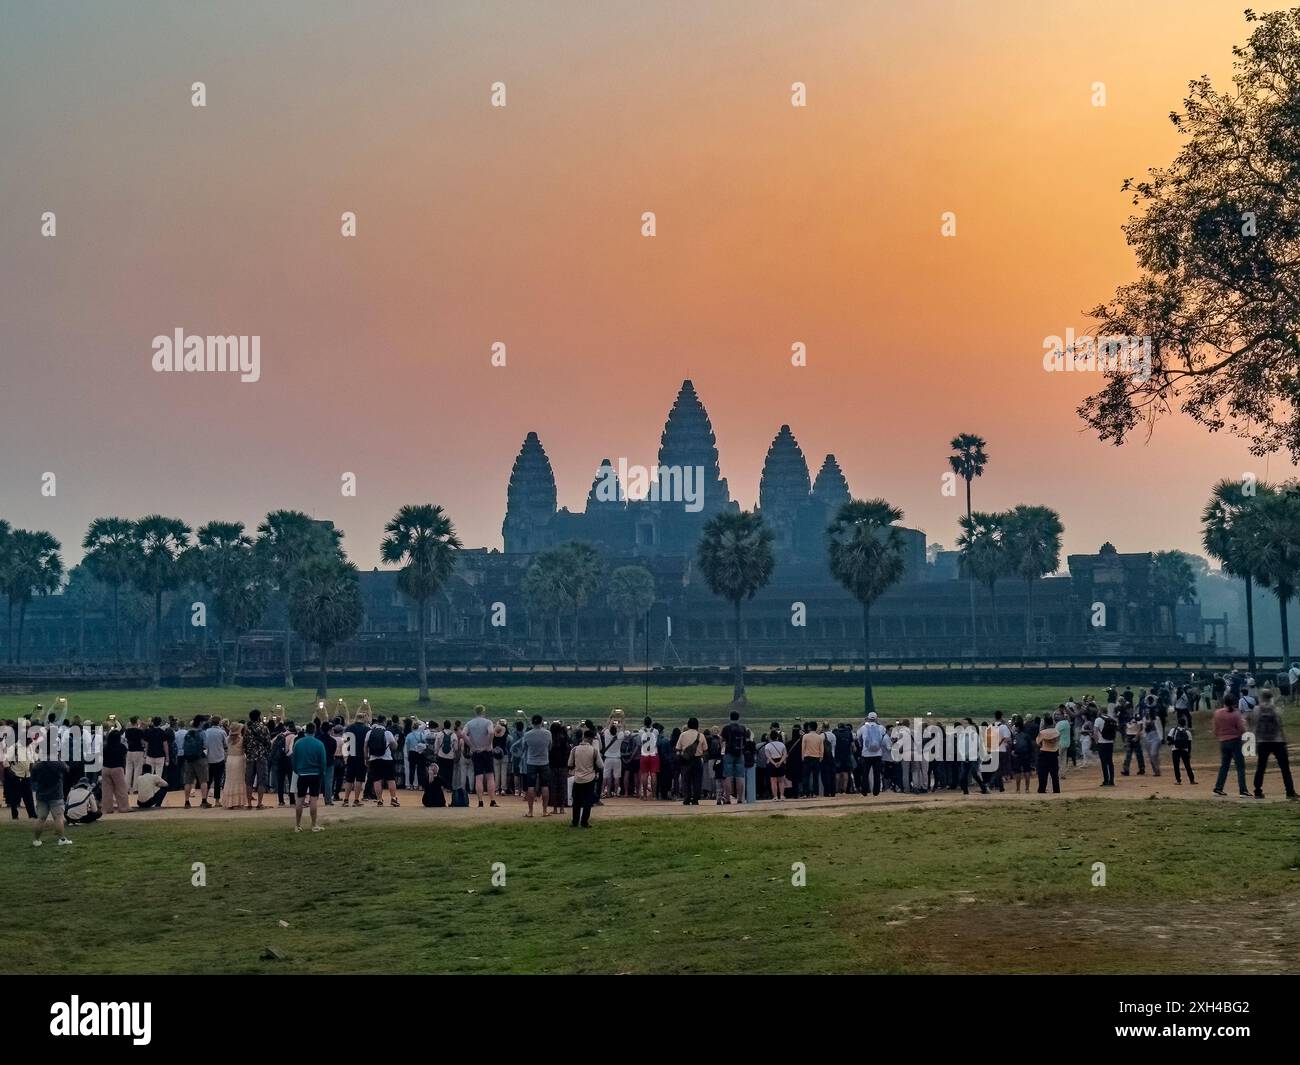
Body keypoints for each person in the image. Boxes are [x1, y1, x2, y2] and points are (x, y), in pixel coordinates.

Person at [1250, 690, 1297, 800]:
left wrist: (1255, 741)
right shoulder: (1276, 709)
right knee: (1285, 768)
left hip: (1262, 741)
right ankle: (1290, 791)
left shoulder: (1257, 710)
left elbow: (1255, 726)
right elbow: (1280, 726)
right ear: (1271, 697)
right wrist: (1285, 740)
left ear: (1261, 697)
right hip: (1277, 741)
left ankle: (1257, 791)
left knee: (1261, 767)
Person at [292, 721, 327, 832]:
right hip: (315, 774)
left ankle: (297, 825)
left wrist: (297, 770)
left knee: (300, 799)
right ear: (315, 731)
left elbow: (294, 759)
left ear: (305, 731)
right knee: (313, 799)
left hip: (302, 773)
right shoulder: (319, 744)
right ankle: (313, 824)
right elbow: (323, 760)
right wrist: (322, 771)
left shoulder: (298, 743)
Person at [1211, 695, 1249, 798]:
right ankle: (1243, 790)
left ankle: (1218, 788)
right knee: (1240, 766)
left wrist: (1220, 735)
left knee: (1224, 765)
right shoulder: (1236, 714)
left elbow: (1215, 729)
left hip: (1223, 741)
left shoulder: (1217, 713)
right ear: (1233, 703)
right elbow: (1241, 728)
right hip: (1235, 741)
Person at [463, 705, 498, 808]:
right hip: (487, 751)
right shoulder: (488, 722)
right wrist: (487, 744)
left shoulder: (469, 723)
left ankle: (480, 801)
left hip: (476, 751)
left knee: (478, 777)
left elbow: (463, 734)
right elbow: (491, 732)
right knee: (490, 776)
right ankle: (492, 800)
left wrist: (471, 745)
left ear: (475, 712)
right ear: (484, 712)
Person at [31, 757, 72, 846]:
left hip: (41, 795)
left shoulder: (37, 765)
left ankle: (36, 840)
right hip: (56, 794)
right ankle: (62, 839)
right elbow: (67, 770)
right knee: (58, 818)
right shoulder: (58, 763)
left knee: (41, 818)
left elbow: (33, 779)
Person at [567, 727, 603, 828]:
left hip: (577, 778)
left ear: (583, 737)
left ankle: (574, 821)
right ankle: (584, 822)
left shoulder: (574, 749)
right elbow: (600, 765)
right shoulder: (594, 750)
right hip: (589, 779)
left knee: (576, 801)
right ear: (591, 739)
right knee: (588, 802)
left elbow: (570, 763)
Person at [521, 714, 552, 817]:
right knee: (545, 786)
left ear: (532, 722)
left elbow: (524, 747)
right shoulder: (547, 733)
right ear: (541, 722)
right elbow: (550, 746)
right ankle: (544, 811)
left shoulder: (527, 734)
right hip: (544, 762)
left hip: (531, 762)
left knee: (530, 786)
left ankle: (530, 811)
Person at [366, 715, 400, 808]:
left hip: (373, 759)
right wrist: (395, 741)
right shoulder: (387, 733)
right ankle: (393, 798)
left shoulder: (370, 732)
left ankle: (379, 800)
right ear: (384, 722)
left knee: (377, 780)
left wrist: (366, 758)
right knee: (390, 779)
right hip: (387, 759)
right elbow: (394, 746)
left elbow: (365, 746)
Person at [676, 718, 706, 805]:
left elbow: (678, 748)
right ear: (697, 725)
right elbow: (705, 749)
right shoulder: (701, 736)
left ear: (688, 725)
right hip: (697, 760)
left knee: (686, 780)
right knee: (697, 780)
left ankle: (687, 798)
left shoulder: (683, 735)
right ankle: (695, 799)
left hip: (686, 760)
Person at [100, 725, 129, 814]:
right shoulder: (121, 747)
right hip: (117, 769)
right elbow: (124, 757)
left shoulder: (104, 747)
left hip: (105, 769)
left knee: (106, 791)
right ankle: (124, 807)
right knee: (121, 789)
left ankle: (107, 808)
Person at [720, 710, 746, 804]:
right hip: (740, 753)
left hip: (729, 753)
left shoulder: (726, 728)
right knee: (740, 776)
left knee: (728, 776)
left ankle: (728, 798)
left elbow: (722, 740)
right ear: (738, 718)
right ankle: (740, 798)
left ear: (730, 717)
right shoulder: (742, 728)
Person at [1035, 714, 1061, 794]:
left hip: (1044, 754)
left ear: (1045, 723)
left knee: (1043, 774)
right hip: (1054, 753)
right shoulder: (1057, 732)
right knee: (1054, 775)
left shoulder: (1042, 733)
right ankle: (1056, 790)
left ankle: (1042, 790)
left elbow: (1038, 743)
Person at [225, 722, 249, 809]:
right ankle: (237, 802)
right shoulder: (242, 739)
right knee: (239, 780)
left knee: (229, 780)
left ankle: (229, 802)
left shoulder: (227, 739)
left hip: (230, 759)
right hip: (239, 760)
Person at [205, 716, 228, 806]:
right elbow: (226, 745)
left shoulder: (207, 731)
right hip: (219, 758)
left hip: (209, 758)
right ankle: (217, 801)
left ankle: (204, 799)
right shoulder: (222, 732)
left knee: (208, 780)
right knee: (218, 781)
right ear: (219, 723)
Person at [1094, 704, 1117, 787]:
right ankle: (1112, 781)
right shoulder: (1111, 719)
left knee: (1104, 763)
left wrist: (1096, 742)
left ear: (1100, 711)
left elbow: (1095, 732)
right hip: (1110, 743)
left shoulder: (1098, 720)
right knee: (1110, 762)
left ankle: (1106, 780)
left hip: (1102, 743)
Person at [1167, 719, 1195, 785]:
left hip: (1175, 749)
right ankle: (1192, 780)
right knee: (1187, 765)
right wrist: (1189, 753)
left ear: (1178, 723)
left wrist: (1173, 742)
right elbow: (1189, 744)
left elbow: (1168, 738)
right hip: (1184, 750)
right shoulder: (1188, 732)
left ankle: (1178, 780)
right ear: (1185, 724)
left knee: (1176, 765)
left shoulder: (1173, 730)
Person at [638, 716, 660, 800]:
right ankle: (654, 795)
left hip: (644, 754)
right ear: (651, 723)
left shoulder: (640, 731)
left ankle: (644, 795)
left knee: (644, 774)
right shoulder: (655, 731)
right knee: (654, 775)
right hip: (654, 754)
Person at [800, 723, 824, 797]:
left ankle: (805, 793)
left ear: (809, 728)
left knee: (806, 776)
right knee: (815, 777)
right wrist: (821, 757)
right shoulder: (819, 737)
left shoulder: (805, 736)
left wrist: (802, 757)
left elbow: (803, 748)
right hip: (816, 758)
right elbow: (821, 749)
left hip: (807, 757)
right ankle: (815, 793)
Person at [124, 716, 146, 793]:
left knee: (128, 770)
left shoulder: (127, 731)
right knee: (138, 770)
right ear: (136, 721)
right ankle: (136, 788)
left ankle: (126, 788)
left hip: (129, 751)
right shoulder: (139, 731)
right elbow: (143, 741)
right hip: (138, 751)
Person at [763, 729, 787, 800]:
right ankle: (782, 795)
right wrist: (780, 762)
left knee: (773, 781)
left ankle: (775, 796)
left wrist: (774, 763)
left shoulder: (767, 745)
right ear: (777, 737)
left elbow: (768, 756)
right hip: (780, 762)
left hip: (772, 763)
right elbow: (785, 754)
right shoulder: (782, 744)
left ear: (770, 737)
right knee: (781, 780)